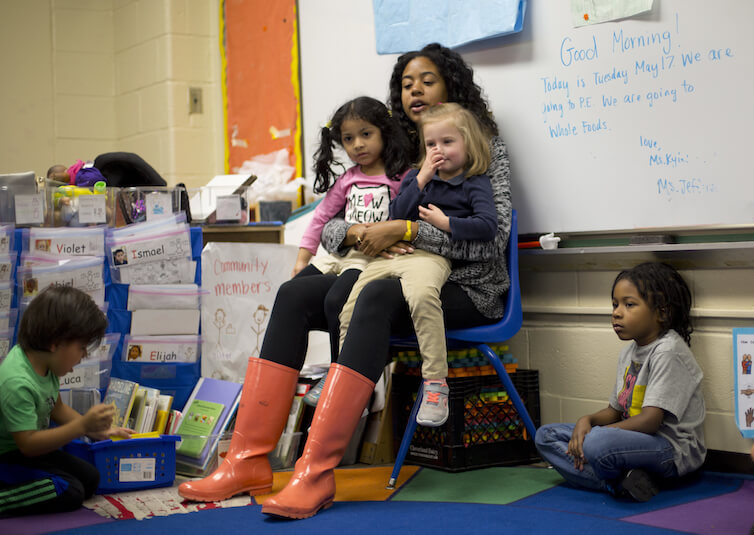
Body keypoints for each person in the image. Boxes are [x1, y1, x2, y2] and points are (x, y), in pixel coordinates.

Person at [178, 42, 512, 520]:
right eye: (406, 83)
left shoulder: (475, 143)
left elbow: (491, 239)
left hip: (463, 284)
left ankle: (315, 473)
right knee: (294, 295)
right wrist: (358, 232)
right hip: (379, 263)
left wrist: (409, 230)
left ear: (452, 87)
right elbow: (335, 221)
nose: (415, 90)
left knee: (373, 296)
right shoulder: (395, 147)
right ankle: (247, 461)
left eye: (428, 80)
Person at [338, 103, 497, 426]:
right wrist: (421, 179)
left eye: (447, 142)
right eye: (431, 145)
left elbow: (487, 227)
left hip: (433, 256)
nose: (438, 151)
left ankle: (436, 384)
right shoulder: (417, 176)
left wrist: (447, 222)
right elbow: (397, 215)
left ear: (468, 143)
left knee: (423, 299)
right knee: (349, 304)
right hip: (398, 254)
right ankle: (345, 382)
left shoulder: (475, 181)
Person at [535, 262, 706, 502]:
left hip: (671, 449)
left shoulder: (668, 351)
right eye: (615, 304)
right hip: (629, 441)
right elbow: (615, 411)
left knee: (596, 443)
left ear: (662, 313)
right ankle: (623, 483)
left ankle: (615, 477)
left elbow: (650, 421)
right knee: (546, 436)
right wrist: (588, 420)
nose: (616, 312)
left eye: (629, 304)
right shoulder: (629, 352)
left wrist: (596, 436)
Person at [292, 96, 411, 405]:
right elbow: (321, 218)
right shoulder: (348, 179)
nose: (358, 144)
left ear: (384, 132)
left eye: (366, 134)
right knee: (292, 291)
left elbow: (408, 218)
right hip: (340, 253)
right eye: (348, 138)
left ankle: (338, 373)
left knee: (335, 301)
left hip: (369, 259)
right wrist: (303, 257)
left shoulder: (400, 178)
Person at [0, 287, 132, 517]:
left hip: (28, 453)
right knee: (70, 491)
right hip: (8, 458)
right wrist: (81, 427)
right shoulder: (17, 382)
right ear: (55, 342)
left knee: (90, 478)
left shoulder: (43, 364)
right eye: (81, 348)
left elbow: (57, 408)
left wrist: (95, 430)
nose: (84, 356)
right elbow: (28, 444)